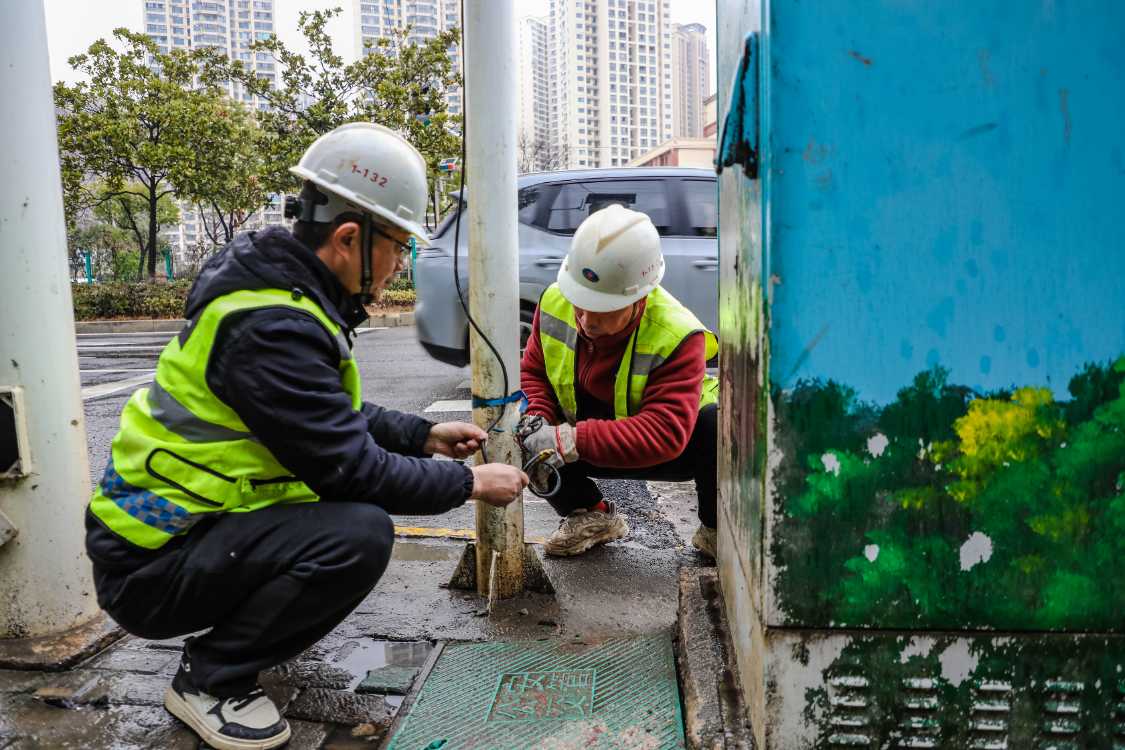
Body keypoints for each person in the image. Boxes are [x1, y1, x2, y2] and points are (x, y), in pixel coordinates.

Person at [83, 122, 528, 750]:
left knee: (339, 517)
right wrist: (469, 483)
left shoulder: (279, 300)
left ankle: (243, 639)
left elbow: (327, 417)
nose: (400, 263)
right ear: (350, 238)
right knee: (359, 533)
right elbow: (352, 470)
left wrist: (421, 435)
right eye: (397, 245)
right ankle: (211, 680)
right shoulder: (271, 326)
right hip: (149, 563)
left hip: (178, 535)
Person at [518, 204, 719, 559]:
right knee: (517, 428)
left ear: (639, 296)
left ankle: (714, 530)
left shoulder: (678, 334)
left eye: (603, 307)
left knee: (716, 425)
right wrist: (538, 420)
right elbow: (534, 372)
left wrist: (569, 439)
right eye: (581, 302)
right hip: (588, 437)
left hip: (672, 448)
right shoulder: (554, 301)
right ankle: (589, 515)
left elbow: (664, 434)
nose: (586, 319)